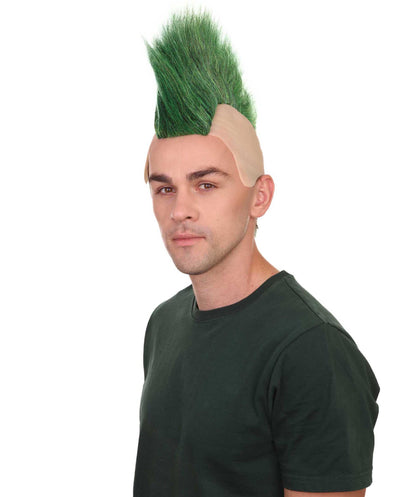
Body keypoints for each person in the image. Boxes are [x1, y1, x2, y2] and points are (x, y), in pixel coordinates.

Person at [133, 9, 380, 497]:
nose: (180, 210)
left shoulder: (311, 350)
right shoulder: (164, 323)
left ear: (259, 196)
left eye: (206, 184)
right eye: (164, 188)